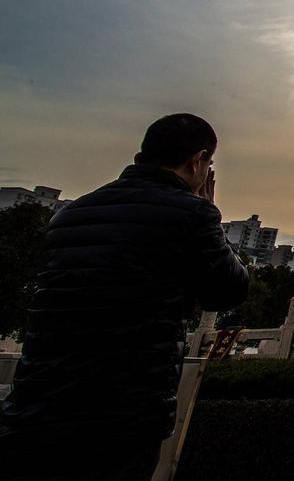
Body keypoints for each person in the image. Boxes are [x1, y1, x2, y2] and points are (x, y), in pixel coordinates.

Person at [0, 113, 249, 481]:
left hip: (39, 403)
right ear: (198, 161)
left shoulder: (70, 214)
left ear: (138, 158)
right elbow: (228, 290)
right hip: (121, 412)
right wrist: (210, 211)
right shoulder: (193, 213)